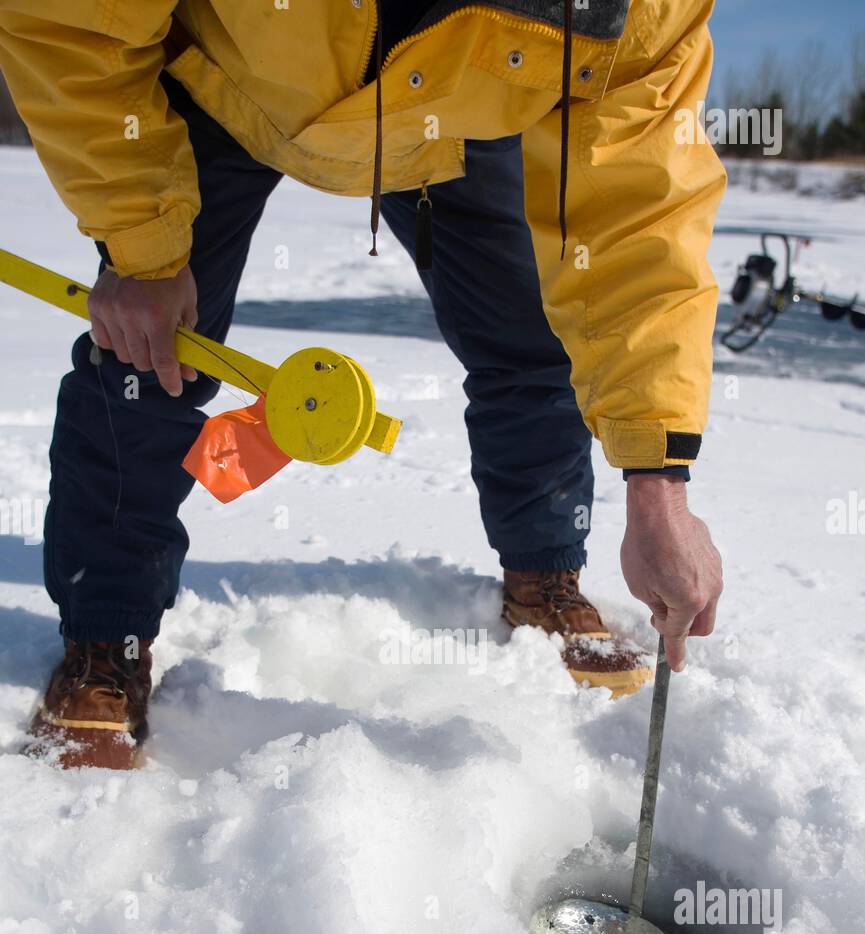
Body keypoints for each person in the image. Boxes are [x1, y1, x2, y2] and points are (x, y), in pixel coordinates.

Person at [0, 0, 724, 769]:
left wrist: (658, 484)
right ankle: (105, 631)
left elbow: (638, 211)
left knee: (532, 338)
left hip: (456, 126)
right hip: (230, 83)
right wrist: (139, 240)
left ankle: (543, 574)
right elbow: (74, 22)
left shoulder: (645, 10)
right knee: (148, 351)